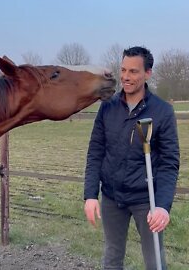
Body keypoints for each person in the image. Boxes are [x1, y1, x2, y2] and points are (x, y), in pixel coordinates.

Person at [84, 46, 179, 269]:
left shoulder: (162, 111)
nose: (126, 77)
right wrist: (90, 195)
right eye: (123, 70)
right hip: (111, 196)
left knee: (155, 261)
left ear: (148, 73)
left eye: (134, 71)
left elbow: (169, 163)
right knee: (112, 258)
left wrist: (163, 206)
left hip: (146, 200)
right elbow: (95, 152)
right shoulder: (108, 107)